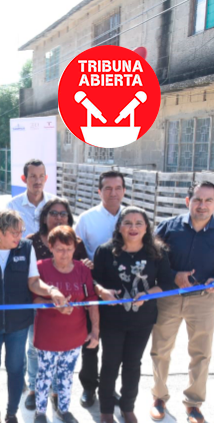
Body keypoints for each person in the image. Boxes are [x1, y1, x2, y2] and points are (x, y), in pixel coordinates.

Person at [0, 210, 69, 423]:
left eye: (20, 231)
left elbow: (33, 282)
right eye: (14, 232)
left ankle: (11, 415)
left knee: (16, 369)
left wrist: (51, 291)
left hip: (18, 324)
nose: (19, 236)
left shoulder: (26, 248)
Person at [151, 181, 214, 423]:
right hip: (169, 297)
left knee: (201, 352)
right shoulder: (168, 228)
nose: (202, 205)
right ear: (188, 201)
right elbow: (153, 261)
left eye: (209, 200)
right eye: (198, 199)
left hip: (203, 302)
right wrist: (173, 275)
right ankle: (158, 397)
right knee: (160, 349)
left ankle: (194, 403)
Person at [93, 208, 174, 423]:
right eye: (127, 223)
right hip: (112, 320)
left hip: (143, 320)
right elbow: (93, 281)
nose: (133, 227)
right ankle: (106, 409)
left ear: (147, 227)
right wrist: (102, 292)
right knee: (110, 363)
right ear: (119, 227)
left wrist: (148, 294)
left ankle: (128, 407)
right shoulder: (105, 251)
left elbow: (167, 282)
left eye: (139, 223)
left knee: (133, 364)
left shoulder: (157, 252)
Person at [24, 197, 90, 410]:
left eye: (63, 213)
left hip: (67, 309)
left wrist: (87, 264)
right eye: (53, 213)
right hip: (38, 306)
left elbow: (82, 267)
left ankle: (55, 392)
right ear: (44, 217)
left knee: (61, 356)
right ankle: (34, 389)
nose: (59, 217)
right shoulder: (31, 241)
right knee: (35, 349)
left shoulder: (74, 240)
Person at [32, 225, 99, 423]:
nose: (65, 254)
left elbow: (91, 301)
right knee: (44, 374)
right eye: (60, 249)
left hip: (74, 335)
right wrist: (53, 305)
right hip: (47, 335)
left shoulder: (82, 270)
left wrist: (95, 331)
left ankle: (63, 409)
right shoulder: (41, 268)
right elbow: (33, 298)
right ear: (50, 247)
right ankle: (40, 411)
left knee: (66, 375)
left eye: (69, 249)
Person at [73, 170, 126, 408]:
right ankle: (88, 387)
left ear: (124, 190)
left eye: (118, 188)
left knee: (115, 345)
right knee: (90, 342)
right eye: (108, 188)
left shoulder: (132, 216)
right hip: (93, 289)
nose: (113, 193)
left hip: (124, 289)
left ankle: (108, 387)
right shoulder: (86, 219)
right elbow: (74, 252)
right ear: (99, 191)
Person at [7, 159, 56, 237]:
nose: (38, 181)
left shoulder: (55, 203)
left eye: (41, 176)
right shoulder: (13, 206)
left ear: (46, 178)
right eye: (33, 176)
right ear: (24, 179)